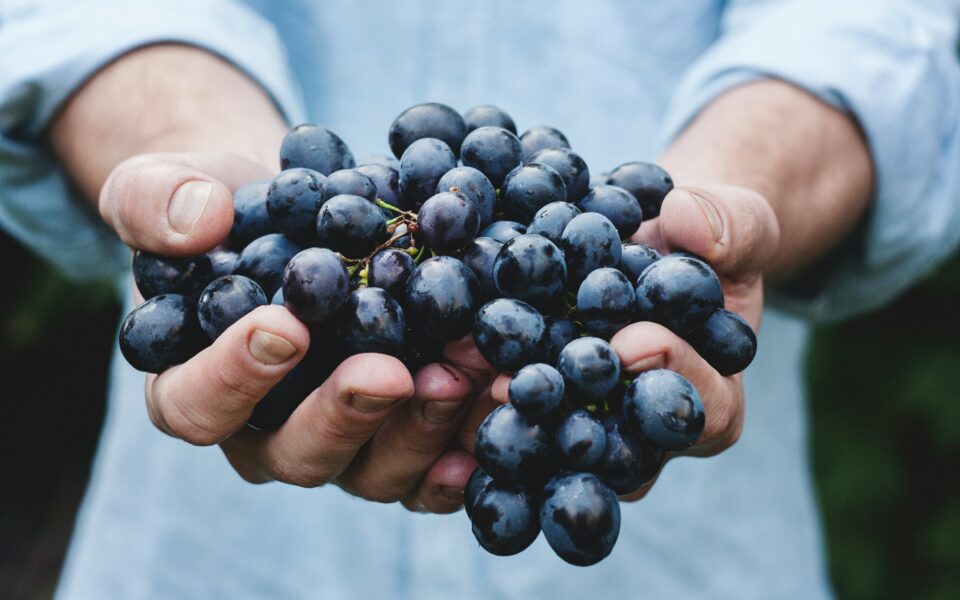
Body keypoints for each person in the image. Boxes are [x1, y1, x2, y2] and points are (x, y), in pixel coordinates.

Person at [2, 1, 959, 597]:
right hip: (212, 559)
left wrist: (728, 194)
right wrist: (192, 161)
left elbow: (879, 24)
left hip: (691, 560)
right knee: (283, 344)